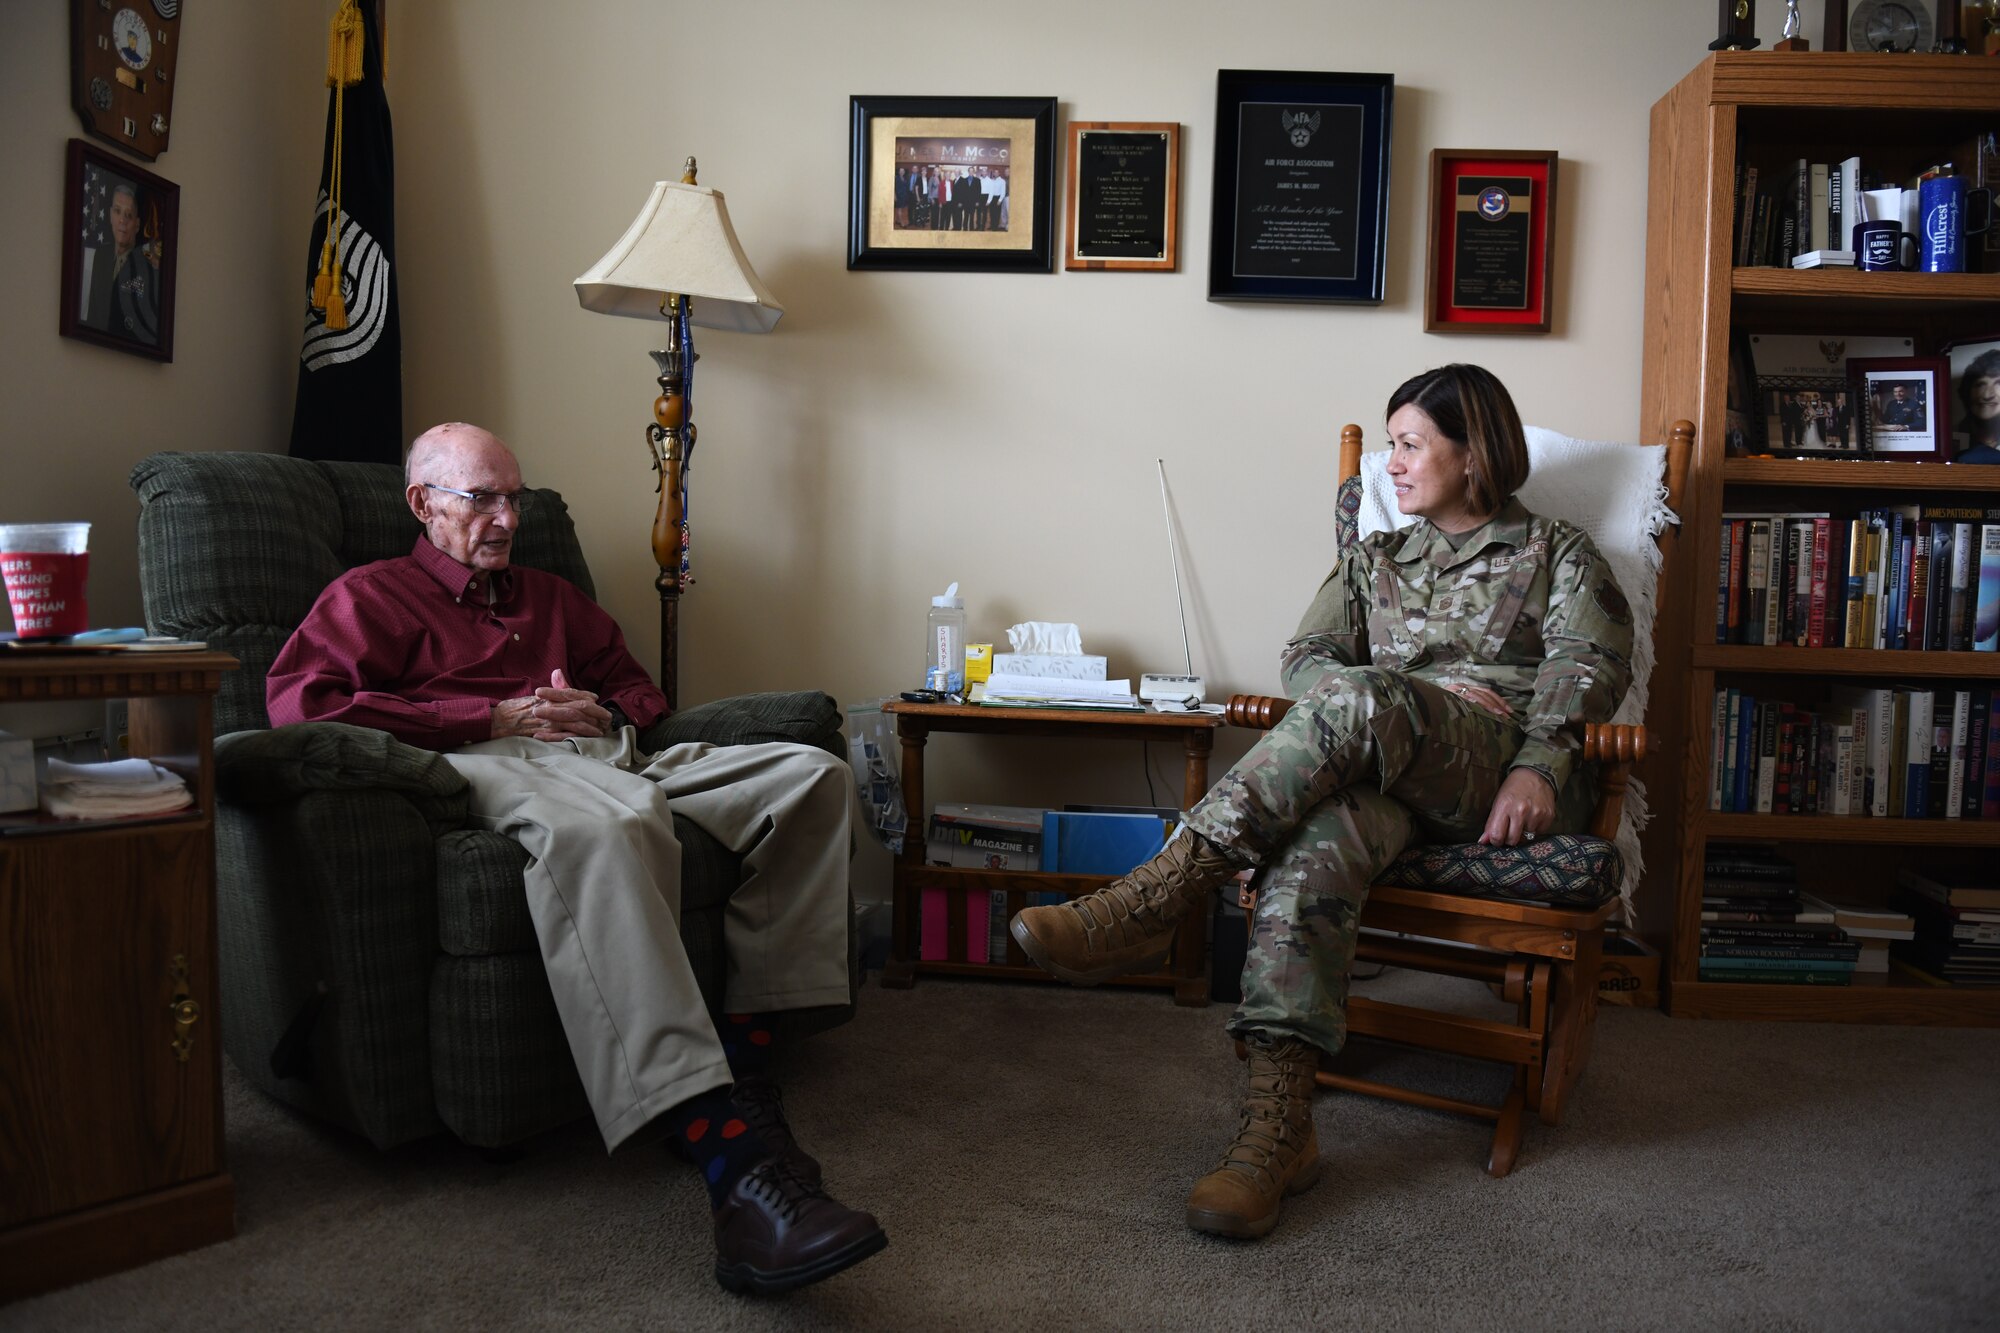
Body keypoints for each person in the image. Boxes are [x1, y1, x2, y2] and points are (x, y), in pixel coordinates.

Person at [1010, 365, 1634, 1240]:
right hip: (1378, 769)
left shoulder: (1557, 552)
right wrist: (1379, 687)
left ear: (1474, 451)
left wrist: (1536, 763)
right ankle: (1279, 1131)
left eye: (1410, 443)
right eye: (1389, 445)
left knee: (1363, 698)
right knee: (1313, 847)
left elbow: (1590, 666)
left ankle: (1158, 895)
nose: (1391, 464)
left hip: (1491, 780)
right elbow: (1306, 659)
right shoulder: (1372, 558)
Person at [266, 423, 886, 1296]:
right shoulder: (372, 597)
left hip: (613, 756)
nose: (507, 517)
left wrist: (601, 704)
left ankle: (745, 1060)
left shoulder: (552, 598)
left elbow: (641, 688)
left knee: (811, 777)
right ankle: (731, 1160)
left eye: (514, 498)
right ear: (423, 503)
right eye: (483, 497)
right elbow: (302, 705)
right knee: (616, 822)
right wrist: (486, 719)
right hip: (491, 767)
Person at [81, 182, 160, 345]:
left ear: (137, 225)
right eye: (117, 211)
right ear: (110, 215)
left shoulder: (146, 265)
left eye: (129, 215)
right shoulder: (100, 256)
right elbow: (94, 315)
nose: (122, 220)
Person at [1953, 348, 2000, 463]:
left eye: (1998, 384)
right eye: (1980, 385)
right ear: (1967, 391)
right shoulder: (1951, 439)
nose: (1987, 395)